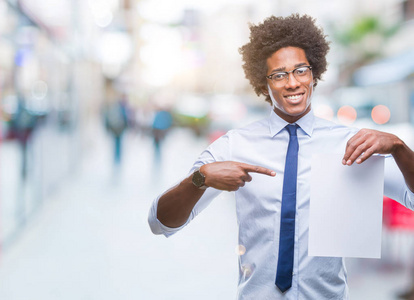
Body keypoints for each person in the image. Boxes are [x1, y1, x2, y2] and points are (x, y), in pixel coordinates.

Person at [148, 14, 414, 299]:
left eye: (301, 70)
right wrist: (199, 179)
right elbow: (159, 222)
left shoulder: (350, 144)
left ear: (314, 75)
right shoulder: (234, 146)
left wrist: (400, 148)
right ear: (264, 85)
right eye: (279, 74)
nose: (292, 83)